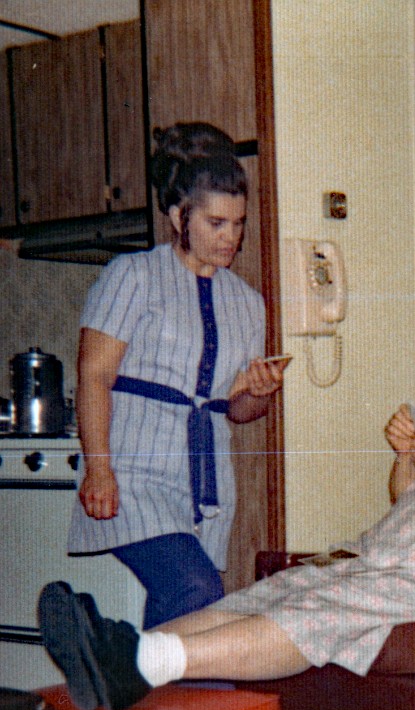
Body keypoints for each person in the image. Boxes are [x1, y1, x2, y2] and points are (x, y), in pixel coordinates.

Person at [41, 348, 415, 710]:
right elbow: (409, 501)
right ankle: (124, 658)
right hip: (372, 556)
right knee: (259, 597)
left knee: (313, 616)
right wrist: (410, 459)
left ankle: (139, 659)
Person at [67, 122, 287, 629]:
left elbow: (240, 411)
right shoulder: (133, 276)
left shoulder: (248, 303)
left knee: (193, 613)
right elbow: (94, 375)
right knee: (193, 585)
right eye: (216, 223)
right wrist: (99, 469)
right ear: (177, 216)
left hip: (204, 481)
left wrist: (260, 392)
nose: (230, 237)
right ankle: (122, 663)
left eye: (238, 223)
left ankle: (124, 668)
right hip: (133, 470)